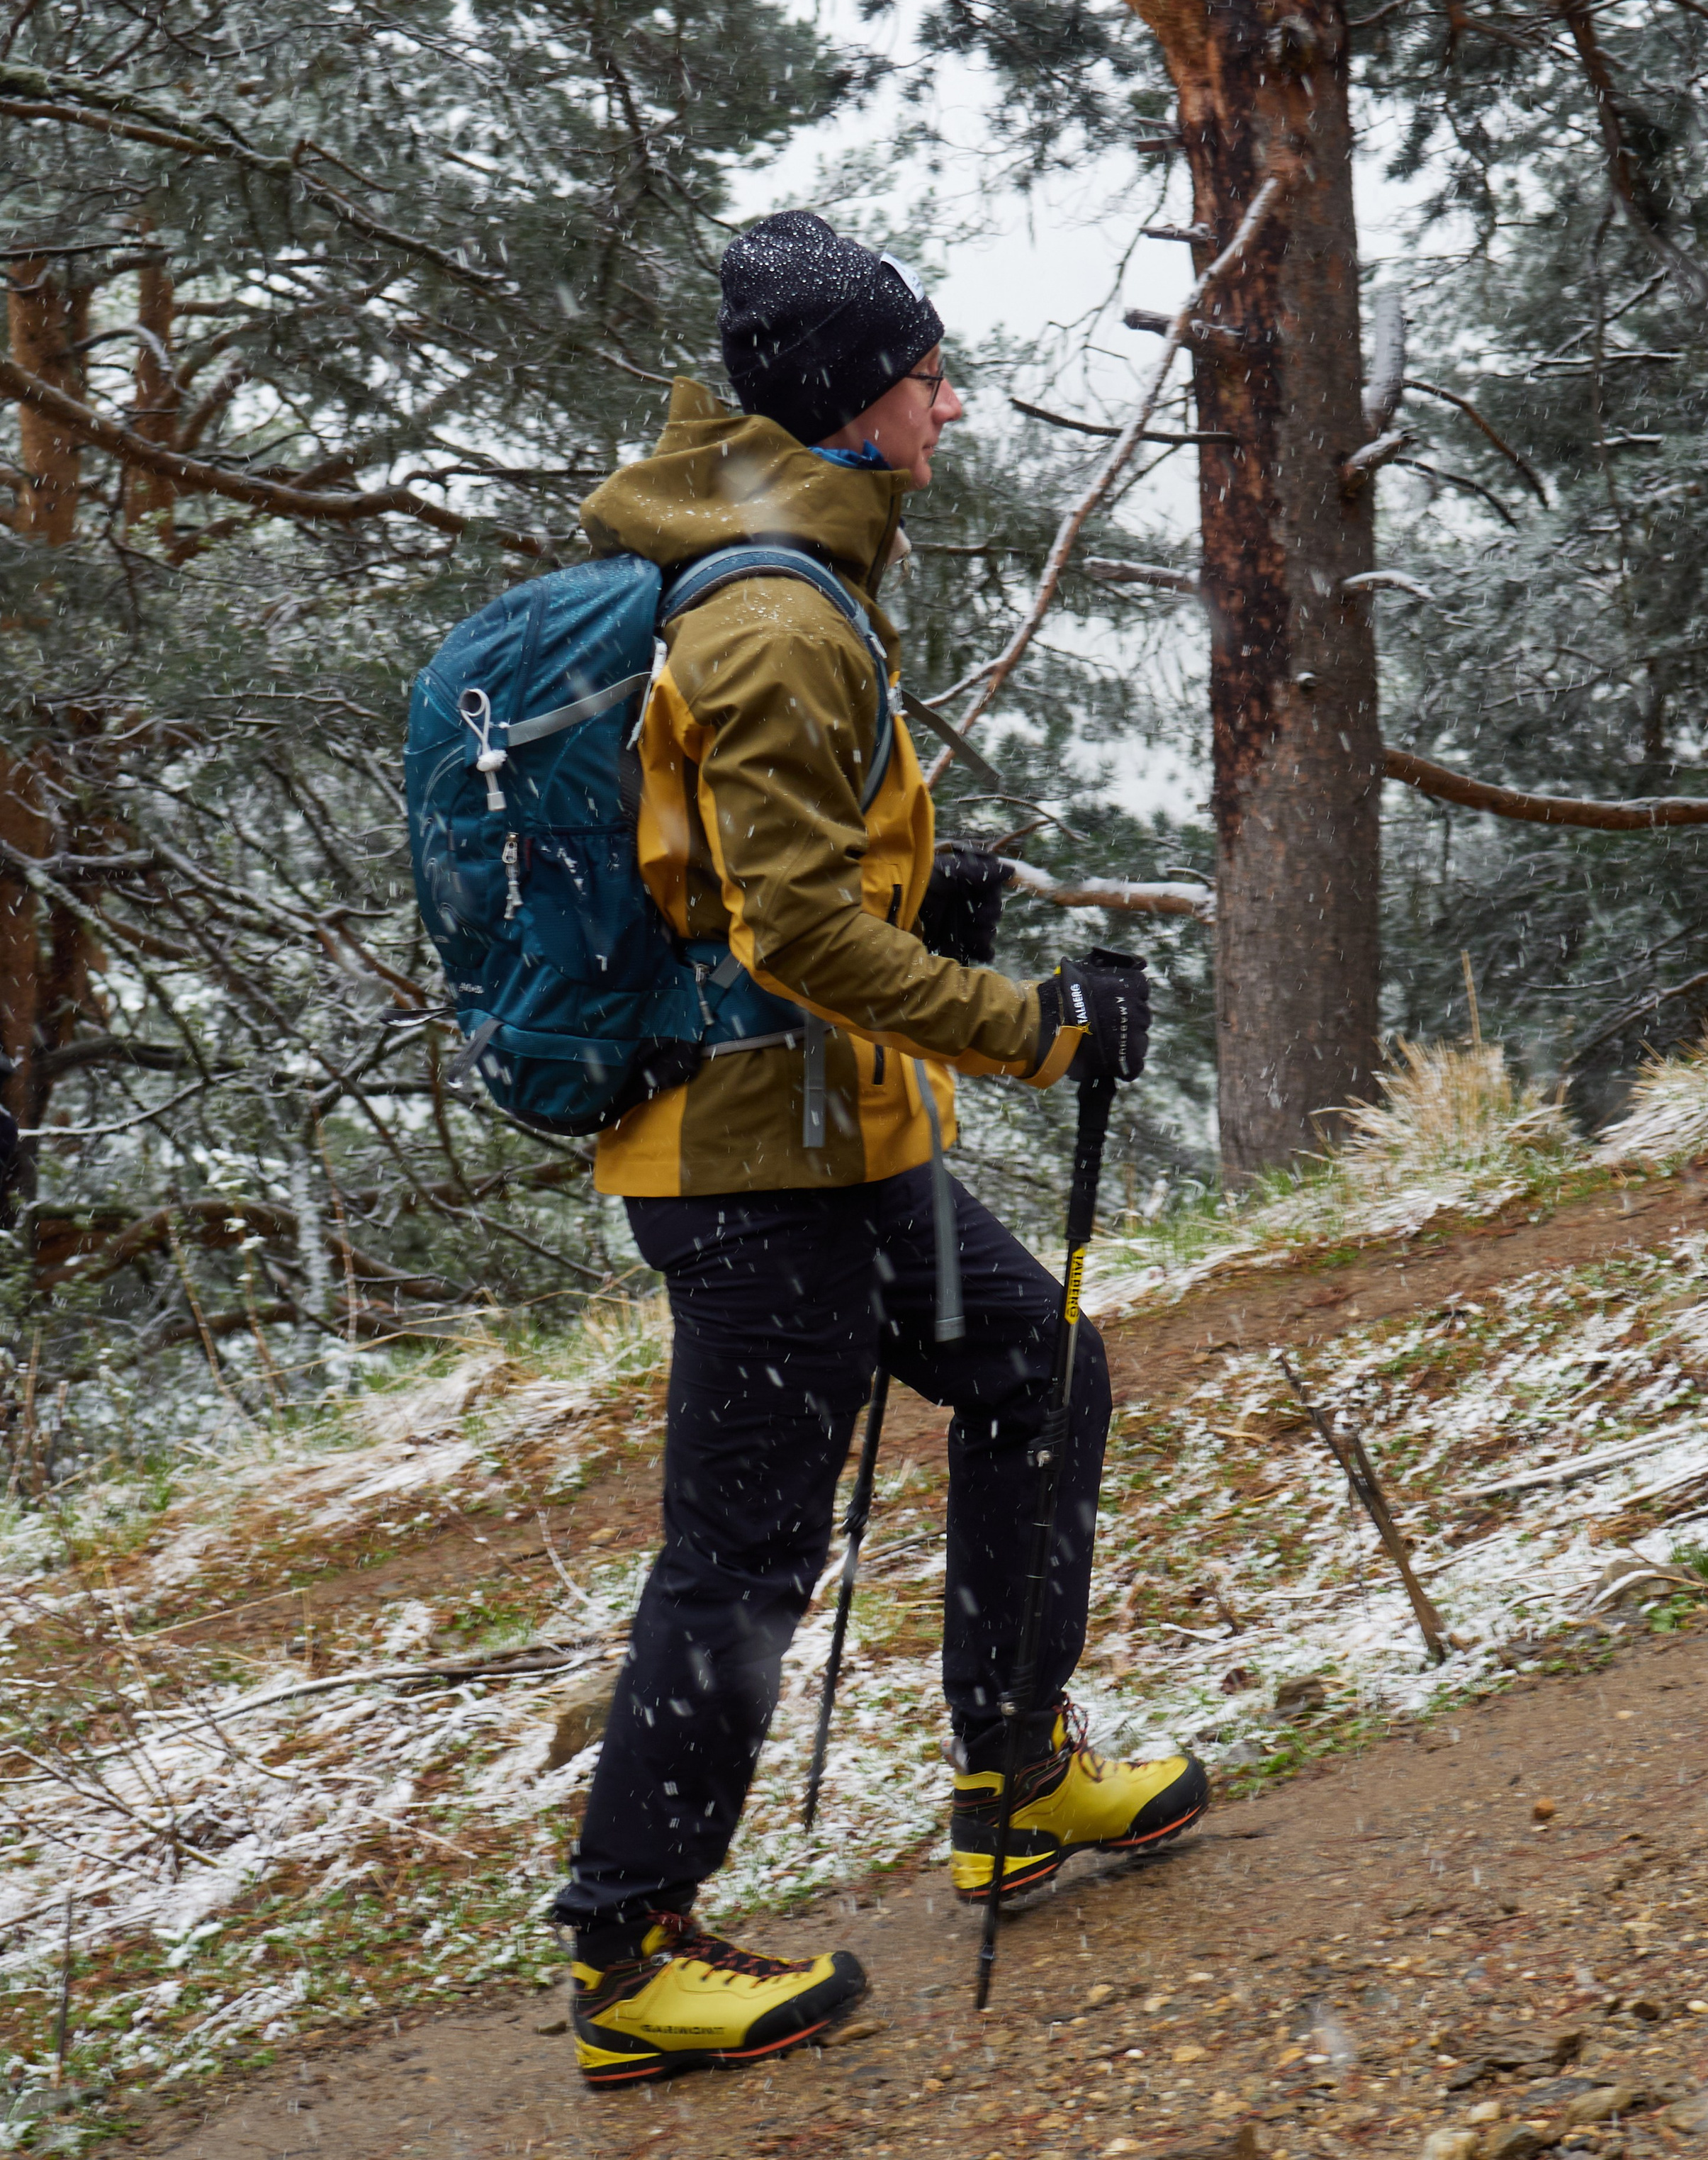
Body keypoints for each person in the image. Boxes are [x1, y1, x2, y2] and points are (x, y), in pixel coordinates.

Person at [550, 212, 1207, 2088]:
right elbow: (785, 933)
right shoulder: (770, 618)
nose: (951, 404)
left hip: (839, 1142)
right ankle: (631, 1952)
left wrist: (939, 890)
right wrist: (1029, 1026)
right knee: (742, 1557)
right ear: (857, 409)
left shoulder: (806, 576)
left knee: (1034, 1363)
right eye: (930, 379)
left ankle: (1015, 1774)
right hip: (754, 1173)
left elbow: (795, 877)